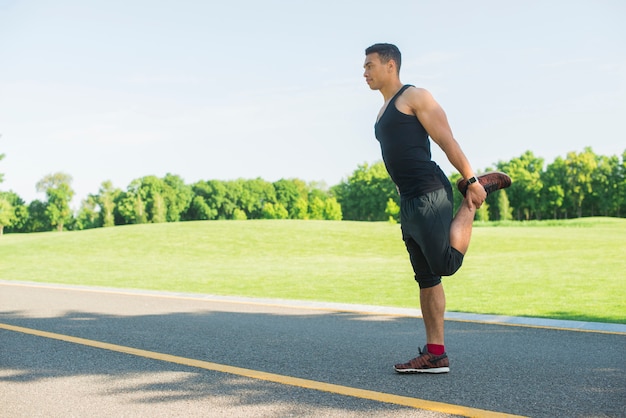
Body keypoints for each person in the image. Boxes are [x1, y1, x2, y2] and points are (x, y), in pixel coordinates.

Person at [363, 43, 511, 373]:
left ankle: (472, 199)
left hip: (430, 191)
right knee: (426, 279)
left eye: (370, 65)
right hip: (409, 202)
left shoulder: (415, 97)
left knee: (446, 264)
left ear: (390, 66)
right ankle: (436, 354)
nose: (365, 72)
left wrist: (471, 179)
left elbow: (446, 139)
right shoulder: (382, 111)